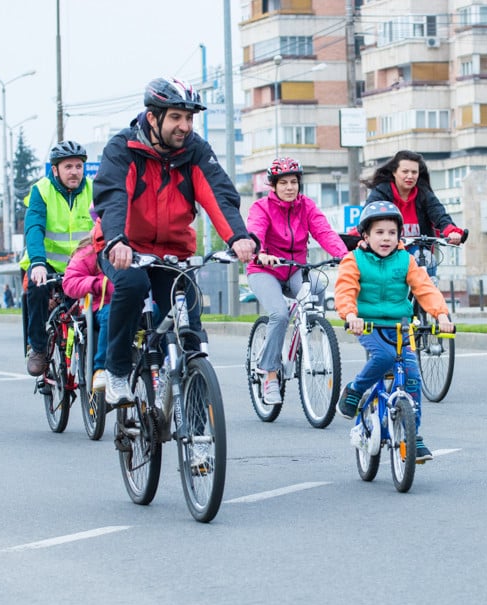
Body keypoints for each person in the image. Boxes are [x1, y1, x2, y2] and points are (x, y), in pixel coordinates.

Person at [93, 77, 256, 408]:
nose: (185, 126)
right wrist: (117, 241)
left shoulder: (194, 150)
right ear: (153, 118)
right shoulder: (121, 149)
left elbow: (218, 193)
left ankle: (194, 418)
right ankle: (117, 371)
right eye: (176, 117)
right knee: (133, 285)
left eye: (189, 118)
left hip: (172, 252)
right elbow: (113, 198)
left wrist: (238, 236)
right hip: (124, 248)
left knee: (189, 331)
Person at [334, 201, 454, 463]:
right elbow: (345, 289)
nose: (386, 238)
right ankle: (355, 390)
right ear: (365, 236)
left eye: (391, 232)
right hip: (367, 324)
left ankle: (414, 436)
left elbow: (425, 288)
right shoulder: (353, 259)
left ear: (399, 235)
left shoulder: (406, 259)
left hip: (400, 326)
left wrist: (441, 315)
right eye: (379, 232)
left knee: (412, 378)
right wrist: (351, 315)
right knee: (385, 357)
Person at [246, 157, 349, 404]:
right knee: (279, 315)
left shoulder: (307, 206)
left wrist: (344, 256)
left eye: (294, 182)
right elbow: (255, 233)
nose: (290, 187)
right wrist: (260, 254)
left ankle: (308, 330)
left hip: (295, 268)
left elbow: (324, 232)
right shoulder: (261, 208)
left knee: (318, 284)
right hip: (264, 269)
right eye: (284, 183)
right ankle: (270, 373)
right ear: (274, 186)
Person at [21, 140, 94, 376]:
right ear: (55, 170)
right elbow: (34, 228)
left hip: (83, 264)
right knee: (37, 288)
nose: (74, 172)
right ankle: (39, 348)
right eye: (68, 167)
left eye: (78, 166)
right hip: (48, 263)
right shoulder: (41, 191)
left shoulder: (94, 190)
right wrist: (38, 263)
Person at [362, 150, 463, 276]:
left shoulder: (424, 194)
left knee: (428, 260)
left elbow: (439, 214)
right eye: (405, 171)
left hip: (418, 254)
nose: (410, 176)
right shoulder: (381, 193)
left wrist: (451, 231)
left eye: (414, 172)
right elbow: (367, 219)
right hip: (387, 252)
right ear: (394, 172)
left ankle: (427, 294)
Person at [62, 223, 112, 392]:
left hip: (132, 304)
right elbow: (69, 282)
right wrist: (97, 284)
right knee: (112, 315)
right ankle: (101, 369)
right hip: (102, 306)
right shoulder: (90, 250)